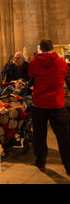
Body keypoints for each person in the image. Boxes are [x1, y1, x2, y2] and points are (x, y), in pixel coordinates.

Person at [29, 39, 70, 174]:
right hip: (57, 104)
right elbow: (64, 76)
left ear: (40, 48)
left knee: (39, 135)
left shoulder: (34, 62)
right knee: (63, 137)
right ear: (52, 48)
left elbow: (31, 77)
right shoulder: (61, 63)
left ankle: (40, 160)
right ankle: (68, 165)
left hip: (39, 104)